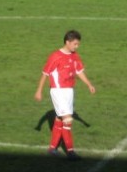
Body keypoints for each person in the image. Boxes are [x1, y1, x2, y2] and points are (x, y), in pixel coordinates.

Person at [34, 30, 96, 161]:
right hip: (58, 91)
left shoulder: (75, 56)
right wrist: (39, 91)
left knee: (59, 119)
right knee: (68, 119)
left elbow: (79, 71)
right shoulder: (55, 56)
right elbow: (45, 74)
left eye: (78, 44)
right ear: (67, 42)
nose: (76, 47)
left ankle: (52, 148)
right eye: (75, 44)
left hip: (69, 91)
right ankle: (70, 151)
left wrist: (89, 84)